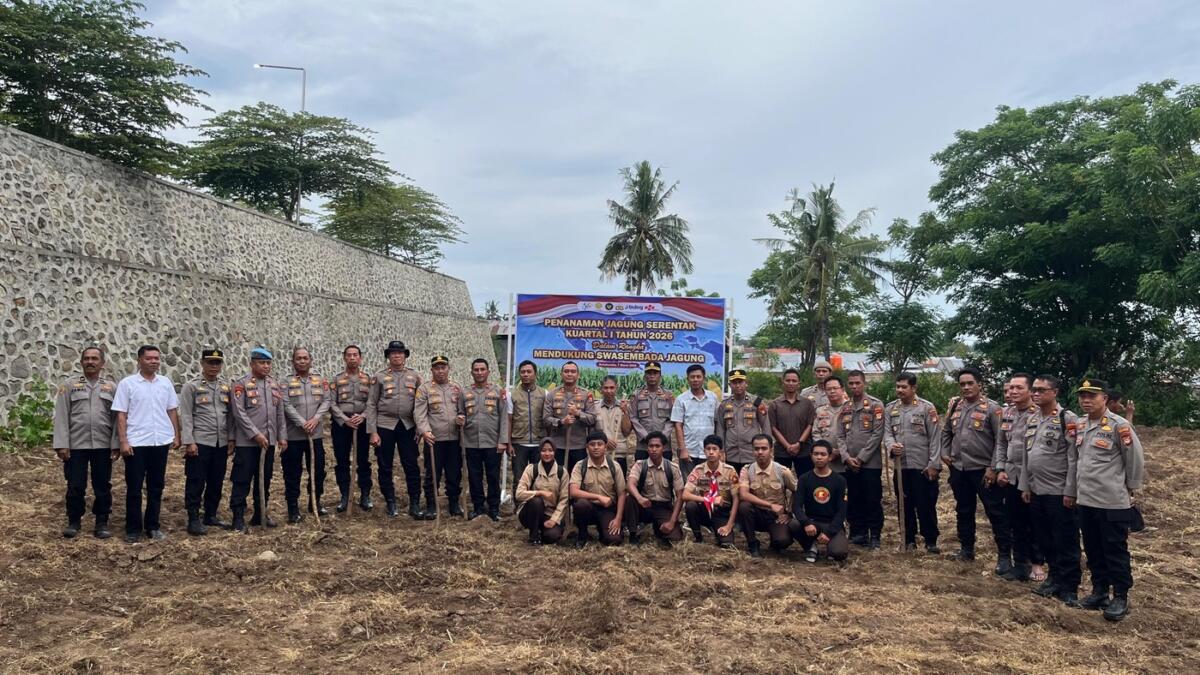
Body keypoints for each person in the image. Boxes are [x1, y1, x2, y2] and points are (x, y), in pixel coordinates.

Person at [1069, 379, 1145, 622]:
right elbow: (1076, 460)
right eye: (1082, 396)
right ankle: (1099, 591)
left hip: (1112, 500)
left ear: (1105, 399)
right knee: (1093, 548)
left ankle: (1120, 595)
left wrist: (1130, 488)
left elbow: (1134, 459)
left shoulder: (1119, 425)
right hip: (1086, 499)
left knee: (1115, 550)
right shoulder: (1080, 425)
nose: (1086, 400)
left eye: (1092, 396)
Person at [940, 367, 1012, 572]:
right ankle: (966, 549)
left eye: (970, 383)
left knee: (996, 513)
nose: (966, 387)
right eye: (962, 384)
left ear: (980, 385)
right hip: (959, 468)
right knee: (963, 510)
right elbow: (946, 432)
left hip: (983, 471)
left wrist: (994, 467)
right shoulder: (955, 406)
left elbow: (1001, 441)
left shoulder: (992, 408)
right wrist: (945, 453)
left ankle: (1005, 556)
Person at [1021, 374, 1082, 607]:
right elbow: (1027, 456)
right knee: (1045, 539)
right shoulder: (1033, 419)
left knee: (1065, 540)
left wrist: (1071, 491)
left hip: (1059, 492)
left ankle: (1069, 586)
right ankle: (1054, 579)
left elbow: (1073, 459)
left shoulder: (1068, 418)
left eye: (1041, 390)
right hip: (1037, 490)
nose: (1036, 394)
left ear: (1054, 392)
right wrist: (1026, 485)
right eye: (1034, 390)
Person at [112, 345, 180, 543]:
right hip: (136, 443)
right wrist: (123, 441)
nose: (154, 361)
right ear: (139, 360)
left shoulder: (165, 383)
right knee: (134, 487)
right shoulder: (128, 384)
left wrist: (176, 435)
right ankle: (133, 529)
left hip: (160, 441)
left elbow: (172, 410)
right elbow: (121, 414)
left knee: (156, 486)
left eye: (157, 358)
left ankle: (153, 526)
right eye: (149, 358)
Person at [52, 345, 118, 539]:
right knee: (75, 485)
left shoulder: (111, 387)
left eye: (94, 359)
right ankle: (74, 521)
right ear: (81, 362)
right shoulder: (69, 385)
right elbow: (62, 416)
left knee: (103, 485)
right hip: (76, 445)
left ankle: (102, 522)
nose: (90, 362)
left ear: (102, 363)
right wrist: (62, 444)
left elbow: (117, 418)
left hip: (102, 445)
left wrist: (116, 444)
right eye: (87, 358)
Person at [229, 346, 287, 532]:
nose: (266, 366)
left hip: (268, 443)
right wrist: (255, 434)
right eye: (261, 363)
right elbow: (239, 413)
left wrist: (281, 437)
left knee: (265, 479)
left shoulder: (274, 385)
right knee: (242, 479)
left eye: (268, 363)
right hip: (248, 443)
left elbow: (280, 414)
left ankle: (260, 513)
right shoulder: (241, 385)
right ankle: (238, 517)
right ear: (252, 364)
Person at [883, 372, 942, 554]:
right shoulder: (890, 409)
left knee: (925, 505)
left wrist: (933, 464)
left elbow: (935, 438)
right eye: (898, 386)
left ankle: (930, 540)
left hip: (922, 466)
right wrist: (892, 446)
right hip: (902, 467)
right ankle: (908, 539)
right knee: (904, 504)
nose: (900, 390)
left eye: (904, 387)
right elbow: (887, 434)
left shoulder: (926, 408)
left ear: (913, 388)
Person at [177, 347, 234, 535]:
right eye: (210, 362)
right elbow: (185, 415)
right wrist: (189, 441)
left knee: (216, 480)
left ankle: (210, 515)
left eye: (217, 363)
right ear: (202, 364)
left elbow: (231, 416)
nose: (214, 366)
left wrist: (231, 439)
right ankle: (193, 518)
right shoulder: (191, 386)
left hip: (221, 442)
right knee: (196, 480)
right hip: (200, 441)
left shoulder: (226, 386)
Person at [993, 373, 1043, 581]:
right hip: (1011, 477)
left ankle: (1038, 563)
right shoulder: (1007, 413)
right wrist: (1000, 468)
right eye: (1011, 388)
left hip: (1032, 478)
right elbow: (1002, 443)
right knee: (1015, 522)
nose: (1013, 392)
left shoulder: (1040, 414)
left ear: (1030, 391)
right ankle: (1020, 564)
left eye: (1018, 388)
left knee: (1036, 523)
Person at [366, 340, 424, 519]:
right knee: (385, 465)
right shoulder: (379, 377)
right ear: (388, 356)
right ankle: (390, 501)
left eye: (400, 353)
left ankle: (414, 502)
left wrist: (420, 427)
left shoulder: (415, 376)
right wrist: (372, 431)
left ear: (405, 356)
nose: (397, 356)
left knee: (411, 464)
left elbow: (420, 404)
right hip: (385, 425)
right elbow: (371, 404)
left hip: (408, 425)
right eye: (393, 353)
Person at [836, 370, 885, 549]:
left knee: (872, 499)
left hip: (870, 464)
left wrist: (861, 458)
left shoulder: (875, 405)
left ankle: (875, 535)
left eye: (857, 383)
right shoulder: (845, 407)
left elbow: (877, 434)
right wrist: (847, 457)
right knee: (854, 499)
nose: (854, 386)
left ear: (864, 383)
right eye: (851, 383)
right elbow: (840, 435)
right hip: (850, 464)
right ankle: (858, 533)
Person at [281, 347, 331, 523]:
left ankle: (314, 502)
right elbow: (285, 405)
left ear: (311, 360)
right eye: (298, 358)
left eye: (305, 358)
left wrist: (316, 419)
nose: (302, 361)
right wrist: (302, 422)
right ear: (293, 362)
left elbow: (326, 401)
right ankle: (293, 509)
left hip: (315, 436)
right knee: (292, 474)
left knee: (317, 472)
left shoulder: (320, 381)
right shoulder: (286, 382)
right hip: (294, 436)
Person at [458, 358, 509, 521]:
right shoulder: (464, 392)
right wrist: (460, 419)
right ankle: (478, 507)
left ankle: (494, 508)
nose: (479, 372)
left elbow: (504, 418)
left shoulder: (498, 391)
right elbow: (461, 413)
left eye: (482, 369)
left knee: (493, 476)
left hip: (492, 442)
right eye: (476, 370)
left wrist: (503, 441)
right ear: (471, 372)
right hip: (471, 442)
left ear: (488, 372)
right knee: (474, 476)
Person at [415, 355, 464, 517]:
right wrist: (424, 431)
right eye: (437, 368)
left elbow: (463, 409)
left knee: (454, 473)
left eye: (443, 367)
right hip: (434, 440)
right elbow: (419, 413)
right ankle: (431, 505)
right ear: (432, 370)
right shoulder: (424, 389)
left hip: (455, 440)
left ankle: (454, 503)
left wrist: (462, 418)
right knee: (432, 474)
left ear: (449, 369)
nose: (440, 371)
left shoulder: (456, 388)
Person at [737, 434, 798, 558]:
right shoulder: (747, 470)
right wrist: (770, 505)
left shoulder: (782, 471)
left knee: (782, 541)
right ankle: (752, 543)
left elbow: (797, 491)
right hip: (757, 513)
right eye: (756, 449)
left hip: (776, 516)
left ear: (771, 450)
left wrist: (789, 513)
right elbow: (743, 494)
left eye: (764, 448)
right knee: (744, 507)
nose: (760, 452)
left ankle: (775, 542)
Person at [789, 440, 849, 563]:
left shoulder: (840, 480)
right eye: (816, 454)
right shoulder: (804, 478)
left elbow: (842, 511)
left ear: (830, 456)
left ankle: (830, 546)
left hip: (832, 524)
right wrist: (806, 522)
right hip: (812, 524)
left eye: (823, 454)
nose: (819, 457)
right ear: (811, 456)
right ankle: (811, 547)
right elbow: (797, 506)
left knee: (839, 553)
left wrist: (829, 532)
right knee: (793, 524)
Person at [330, 345, 371, 513]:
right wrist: (345, 419)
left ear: (360, 358)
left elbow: (372, 402)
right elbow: (331, 403)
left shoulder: (368, 379)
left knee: (363, 461)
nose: (352, 358)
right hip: (342, 425)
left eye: (355, 355)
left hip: (362, 424)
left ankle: (365, 495)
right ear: (344, 358)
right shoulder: (336, 379)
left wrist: (363, 416)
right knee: (342, 461)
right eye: (349, 355)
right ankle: (345, 495)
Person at [624, 431, 685, 547]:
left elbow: (680, 496)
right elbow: (630, 484)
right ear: (647, 448)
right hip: (645, 505)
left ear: (663, 448)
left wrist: (672, 522)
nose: (654, 449)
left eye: (657, 446)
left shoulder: (672, 468)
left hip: (663, 507)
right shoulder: (640, 465)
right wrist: (640, 498)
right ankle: (633, 533)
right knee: (630, 499)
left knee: (675, 537)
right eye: (651, 446)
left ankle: (659, 528)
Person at [569, 430, 627, 548]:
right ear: (587, 447)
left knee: (614, 540)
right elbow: (573, 491)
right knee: (581, 504)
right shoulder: (580, 466)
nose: (596, 447)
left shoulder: (614, 466)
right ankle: (582, 534)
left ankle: (603, 530)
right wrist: (598, 497)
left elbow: (621, 494)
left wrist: (618, 519)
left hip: (607, 509)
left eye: (599, 444)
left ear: (605, 447)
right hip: (588, 508)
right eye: (592, 444)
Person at [681, 434, 739, 548]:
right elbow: (685, 494)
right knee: (690, 506)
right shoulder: (698, 470)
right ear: (704, 451)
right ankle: (698, 537)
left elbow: (737, 498)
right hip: (704, 510)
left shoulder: (730, 471)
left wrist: (729, 525)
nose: (711, 452)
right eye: (708, 449)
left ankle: (719, 532)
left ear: (720, 452)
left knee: (727, 544)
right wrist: (709, 499)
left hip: (722, 513)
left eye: (714, 449)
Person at [514, 438, 569, 545]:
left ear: (554, 452)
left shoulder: (562, 472)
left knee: (552, 537)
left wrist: (554, 520)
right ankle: (534, 536)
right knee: (536, 501)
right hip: (531, 512)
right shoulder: (531, 469)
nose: (547, 454)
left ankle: (542, 532)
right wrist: (539, 493)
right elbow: (519, 494)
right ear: (539, 452)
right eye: (543, 450)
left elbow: (564, 500)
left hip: (550, 513)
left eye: (550, 450)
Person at [716, 369, 771, 473]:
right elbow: (720, 429)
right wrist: (721, 450)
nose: (737, 386)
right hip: (731, 455)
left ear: (746, 383)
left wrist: (767, 449)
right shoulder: (724, 405)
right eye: (734, 382)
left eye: (740, 382)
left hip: (752, 455)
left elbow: (765, 426)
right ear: (730, 385)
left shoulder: (757, 402)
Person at [542, 361, 596, 470]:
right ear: (561, 374)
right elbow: (546, 419)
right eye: (566, 371)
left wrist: (578, 413)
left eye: (573, 371)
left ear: (578, 375)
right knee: (557, 478)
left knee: (577, 479)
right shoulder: (552, 394)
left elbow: (592, 419)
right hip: (557, 446)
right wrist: (561, 422)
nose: (569, 374)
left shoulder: (586, 394)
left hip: (579, 446)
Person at [670, 364, 719, 477]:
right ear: (688, 379)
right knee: (688, 484)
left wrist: (718, 449)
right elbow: (678, 425)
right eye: (692, 377)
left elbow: (717, 423)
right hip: (689, 451)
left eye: (698, 376)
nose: (695, 380)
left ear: (704, 378)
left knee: (708, 484)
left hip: (709, 451)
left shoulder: (713, 398)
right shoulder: (681, 399)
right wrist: (683, 449)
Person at [507, 360, 547, 490]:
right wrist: (509, 443)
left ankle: (537, 508)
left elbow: (548, 419)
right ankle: (519, 508)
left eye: (529, 371)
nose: (525, 374)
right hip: (519, 443)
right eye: (523, 372)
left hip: (539, 442)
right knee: (519, 478)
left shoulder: (544, 394)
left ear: (535, 374)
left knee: (539, 478)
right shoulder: (511, 395)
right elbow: (509, 420)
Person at [768, 368, 816, 477]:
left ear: (799, 383)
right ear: (782, 382)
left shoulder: (807, 403)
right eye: (788, 380)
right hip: (782, 451)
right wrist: (787, 446)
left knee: (805, 480)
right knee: (780, 483)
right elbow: (773, 427)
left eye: (794, 381)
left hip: (804, 451)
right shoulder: (775, 404)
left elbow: (810, 425)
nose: (791, 383)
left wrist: (799, 444)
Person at [629, 361, 676, 459]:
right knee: (642, 473)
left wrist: (662, 437)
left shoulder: (668, 395)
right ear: (645, 376)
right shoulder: (637, 395)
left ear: (660, 376)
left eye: (655, 373)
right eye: (649, 373)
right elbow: (633, 417)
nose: (652, 376)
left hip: (664, 446)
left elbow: (672, 418)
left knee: (665, 473)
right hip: (643, 446)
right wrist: (646, 437)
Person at [595, 376, 636, 473]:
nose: (609, 391)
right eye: (606, 388)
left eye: (612, 388)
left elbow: (626, 432)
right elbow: (590, 431)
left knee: (619, 486)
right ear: (601, 389)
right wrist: (604, 440)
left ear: (616, 388)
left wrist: (625, 412)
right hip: (599, 455)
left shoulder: (625, 407)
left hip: (619, 455)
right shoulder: (594, 407)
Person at [813, 376, 849, 473]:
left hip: (847, 459)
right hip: (827, 461)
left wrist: (840, 451)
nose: (832, 391)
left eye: (835, 388)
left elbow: (856, 435)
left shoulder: (851, 409)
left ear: (842, 389)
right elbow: (816, 433)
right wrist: (828, 449)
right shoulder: (820, 411)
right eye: (828, 389)